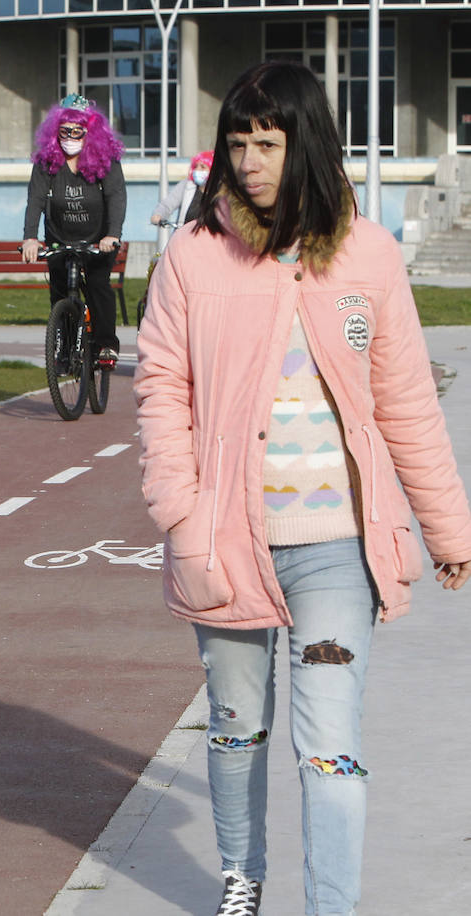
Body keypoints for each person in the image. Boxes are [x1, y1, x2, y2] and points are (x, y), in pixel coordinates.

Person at [135, 60, 471, 916]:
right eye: (238, 142)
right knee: (236, 732)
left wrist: (448, 527)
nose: (250, 161)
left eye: (269, 142)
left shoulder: (368, 254)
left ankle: (332, 906)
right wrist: (178, 508)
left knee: (330, 747)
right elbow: (161, 386)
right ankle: (243, 879)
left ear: (306, 144)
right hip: (226, 544)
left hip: (337, 552)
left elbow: (405, 406)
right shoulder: (193, 255)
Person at [21, 94, 126, 365]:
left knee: (98, 286)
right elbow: (35, 199)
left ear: (89, 132)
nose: (69, 137)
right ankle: (65, 350)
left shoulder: (107, 161)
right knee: (60, 293)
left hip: (97, 239)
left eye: (77, 131)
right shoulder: (47, 163)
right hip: (59, 237)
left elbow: (116, 196)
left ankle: (105, 346)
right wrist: (30, 237)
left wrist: (112, 235)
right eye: (64, 131)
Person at [151, 150, 213, 227]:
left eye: (203, 167)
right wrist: (158, 215)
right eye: (196, 166)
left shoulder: (222, 191)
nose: (197, 170)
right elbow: (168, 204)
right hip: (185, 235)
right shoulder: (186, 186)